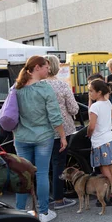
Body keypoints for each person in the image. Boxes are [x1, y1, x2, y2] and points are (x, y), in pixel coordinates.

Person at [14, 56, 66, 222]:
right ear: (37, 67)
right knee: (42, 173)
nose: (48, 71)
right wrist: (63, 136)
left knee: (22, 175)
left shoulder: (17, 87)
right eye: (46, 67)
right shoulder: (45, 88)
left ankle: (19, 212)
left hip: (21, 137)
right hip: (43, 136)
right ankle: (43, 212)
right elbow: (55, 117)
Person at [43, 54, 79, 211]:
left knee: (43, 164)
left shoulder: (36, 86)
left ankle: (44, 198)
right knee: (59, 163)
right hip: (62, 129)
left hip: (42, 130)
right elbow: (73, 108)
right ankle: (58, 198)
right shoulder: (62, 86)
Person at [87, 79, 112, 203]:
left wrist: (89, 134)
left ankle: (108, 195)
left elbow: (91, 126)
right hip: (110, 137)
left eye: (91, 91)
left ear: (99, 92)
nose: (89, 93)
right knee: (110, 167)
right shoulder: (107, 103)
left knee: (104, 169)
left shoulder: (95, 107)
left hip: (99, 140)